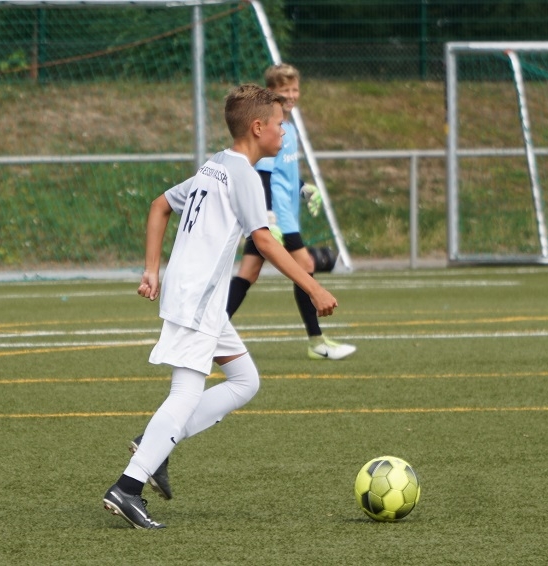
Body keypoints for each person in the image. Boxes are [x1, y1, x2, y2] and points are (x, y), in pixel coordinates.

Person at [102, 84, 340, 530]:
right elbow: (264, 241)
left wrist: (152, 270)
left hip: (198, 298)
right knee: (185, 394)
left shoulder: (215, 165)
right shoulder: (244, 175)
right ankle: (128, 487)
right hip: (198, 298)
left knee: (245, 381)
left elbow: (159, 205)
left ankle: (156, 444)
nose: (284, 130)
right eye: (279, 124)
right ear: (258, 127)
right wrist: (313, 287)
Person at [225, 63, 356, 361]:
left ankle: (210, 332)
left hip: (281, 214)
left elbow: (283, 173)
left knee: (248, 273)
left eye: (295, 89)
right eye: (284, 90)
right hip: (278, 218)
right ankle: (317, 342)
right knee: (305, 266)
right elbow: (264, 175)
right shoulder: (271, 129)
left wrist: (303, 187)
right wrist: (269, 215)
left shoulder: (289, 129)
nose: (291, 95)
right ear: (271, 93)